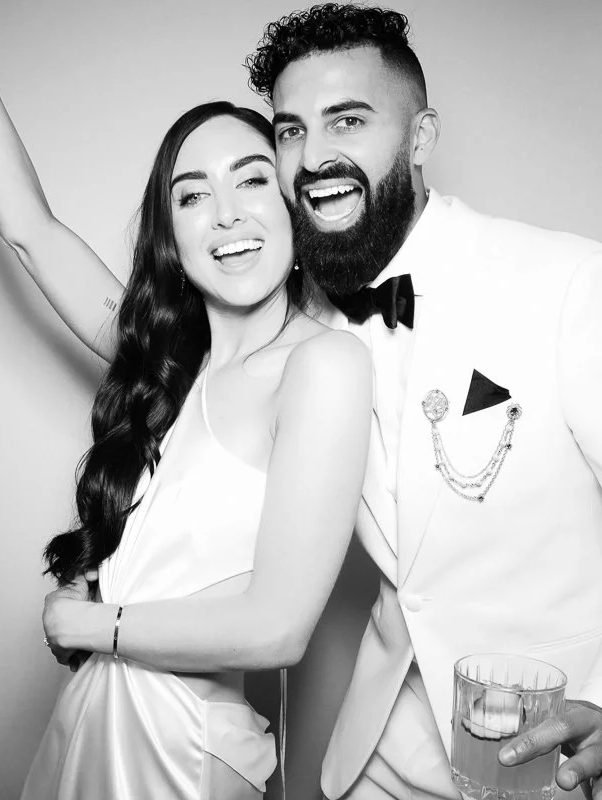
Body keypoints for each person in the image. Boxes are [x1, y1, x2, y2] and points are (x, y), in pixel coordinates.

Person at [0, 1, 372, 798]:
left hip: (187, 754)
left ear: (292, 206)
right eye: (192, 196)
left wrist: (100, 624)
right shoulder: (167, 371)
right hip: (92, 722)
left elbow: (278, 626)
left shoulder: (324, 365)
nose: (227, 214)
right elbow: (29, 229)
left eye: (253, 179)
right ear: (173, 241)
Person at [239, 5, 602, 800]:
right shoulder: (291, 325)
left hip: (552, 762)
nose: (314, 156)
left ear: (421, 137)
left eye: (349, 120)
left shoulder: (568, 281)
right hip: (377, 759)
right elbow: (130, 328)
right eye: (292, 129)